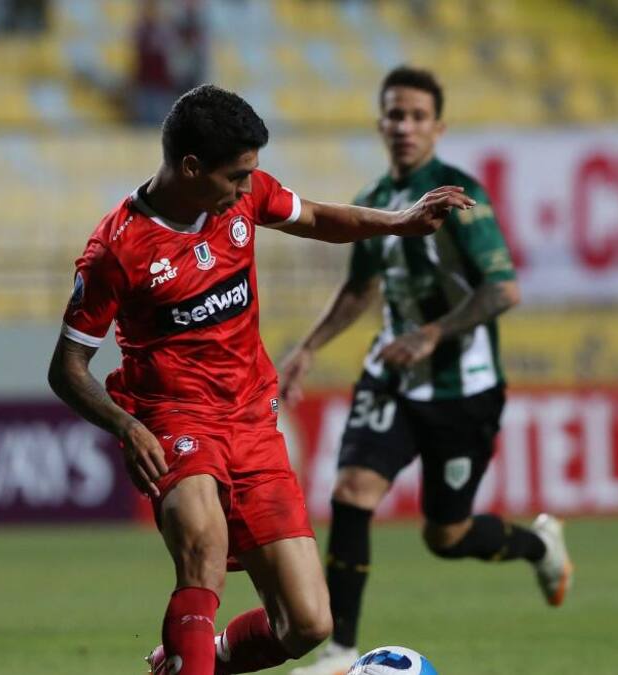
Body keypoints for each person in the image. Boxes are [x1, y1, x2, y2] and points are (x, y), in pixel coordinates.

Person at [47, 84, 477, 675]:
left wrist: (398, 223)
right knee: (203, 547)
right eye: (236, 177)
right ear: (191, 166)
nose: (248, 189)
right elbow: (67, 368)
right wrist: (126, 427)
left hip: (252, 421)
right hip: (174, 416)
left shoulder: (244, 197)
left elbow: (321, 217)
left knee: (307, 624)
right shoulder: (117, 251)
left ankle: (194, 658)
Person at [281, 66, 573, 675]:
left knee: (447, 536)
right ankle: (339, 650)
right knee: (351, 491)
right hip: (390, 374)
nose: (404, 126)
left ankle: (540, 545)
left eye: (417, 116)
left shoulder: (460, 197)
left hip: (462, 388)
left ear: (438, 127)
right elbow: (360, 290)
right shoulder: (371, 202)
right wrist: (308, 348)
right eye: (394, 114)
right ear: (380, 122)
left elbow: (504, 289)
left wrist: (431, 335)